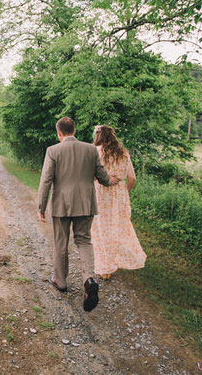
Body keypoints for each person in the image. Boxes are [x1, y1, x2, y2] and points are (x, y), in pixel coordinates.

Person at [37, 117, 118, 312]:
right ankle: (89, 277)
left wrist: (41, 206)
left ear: (59, 133)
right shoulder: (91, 149)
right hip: (85, 203)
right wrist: (112, 181)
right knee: (84, 240)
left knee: (61, 242)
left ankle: (61, 282)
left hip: (61, 205)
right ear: (75, 130)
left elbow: (46, 180)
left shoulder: (53, 150)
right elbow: (102, 176)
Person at [91, 125, 146, 280]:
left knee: (101, 229)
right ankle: (115, 261)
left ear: (98, 136)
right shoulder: (123, 153)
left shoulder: (96, 152)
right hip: (119, 195)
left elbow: (91, 176)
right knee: (119, 228)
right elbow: (132, 178)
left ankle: (105, 267)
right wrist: (124, 193)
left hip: (101, 194)